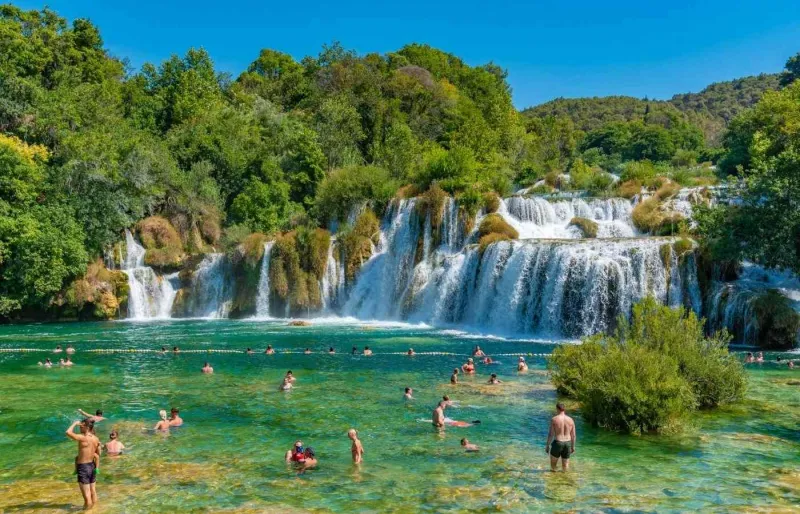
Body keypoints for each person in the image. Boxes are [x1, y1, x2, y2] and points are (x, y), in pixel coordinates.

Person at [66, 418, 100, 510]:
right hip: (92, 466)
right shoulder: (96, 439)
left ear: (86, 426)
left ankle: (87, 511)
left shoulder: (82, 437)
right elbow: (97, 454)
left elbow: (68, 432)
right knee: (93, 491)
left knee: (87, 497)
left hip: (83, 467)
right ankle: (95, 510)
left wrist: (74, 423)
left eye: (81, 426)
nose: (80, 427)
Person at [546, 403, 576, 472]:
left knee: (553, 465)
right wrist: (573, 446)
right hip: (567, 443)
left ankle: (553, 479)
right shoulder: (571, 420)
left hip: (558, 443)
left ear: (557, 409)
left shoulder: (554, 419)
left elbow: (551, 434)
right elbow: (573, 435)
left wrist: (547, 445)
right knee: (565, 465)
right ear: (564, 409)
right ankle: (564, 480)